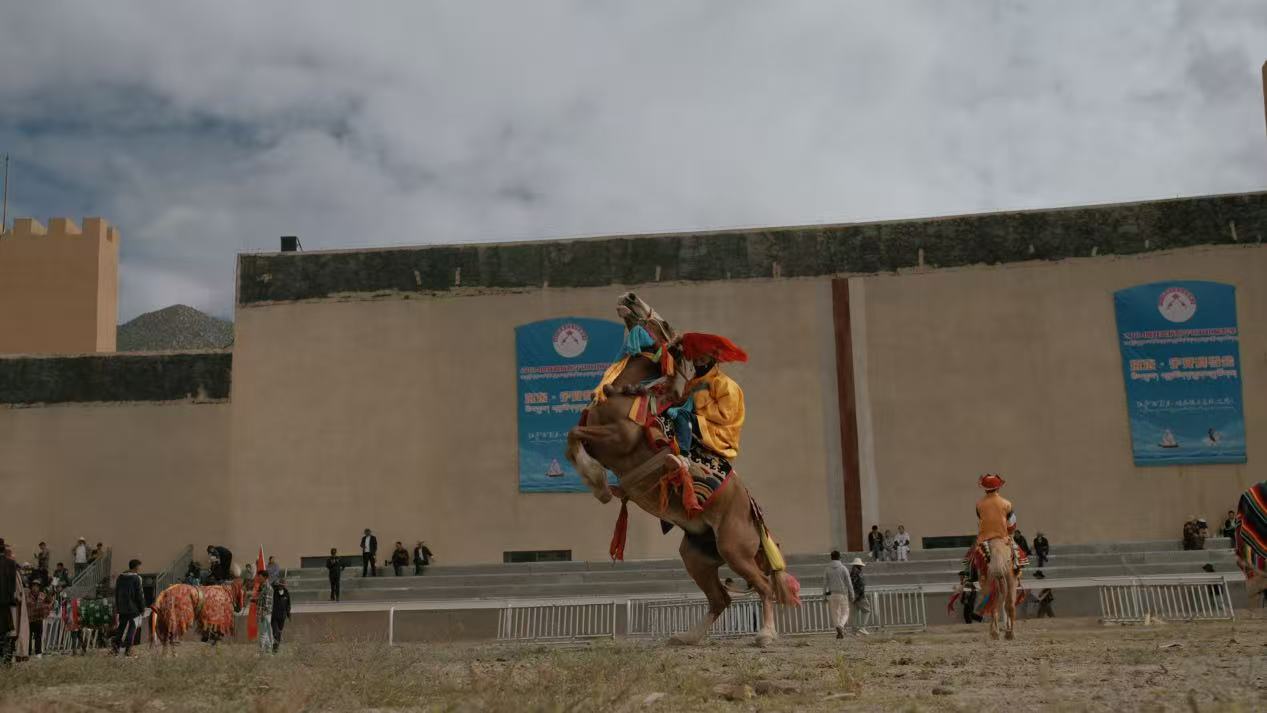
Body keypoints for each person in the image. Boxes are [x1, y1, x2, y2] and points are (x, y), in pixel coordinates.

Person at [111, 559, 145, 657]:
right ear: (136, 567)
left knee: (121, 627)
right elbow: (139, 595)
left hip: (122, 607)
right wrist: (142, 608)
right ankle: (128, 649)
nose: (140, 569)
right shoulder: (136, 578)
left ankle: (115, 648)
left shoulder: (120, 577)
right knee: (132, 628)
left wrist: (117, 607)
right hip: (133, 608)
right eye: (139, 566)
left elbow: (116, 593)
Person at [823, 550, 855, 639]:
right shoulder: (843, 568)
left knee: (834, 613)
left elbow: (825, 583)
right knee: (845, 611)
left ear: (831, 557)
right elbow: (849, 583)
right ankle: (841, 625)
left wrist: (824, 595)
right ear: (840, 557)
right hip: (842, 594)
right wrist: (852, 594)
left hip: (832, 594)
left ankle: (837, 627)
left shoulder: (827, 569)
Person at [1, 542, 20, 664]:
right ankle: (7, 658)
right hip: (6, 603)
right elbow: (12, 586)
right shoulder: (11, 563)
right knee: (6, 632)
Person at [25, 581, 51, 658]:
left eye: (37, 586)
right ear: (31, 587)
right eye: (34, 586)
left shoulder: (42, 595)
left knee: (38, 636)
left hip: (39, 619)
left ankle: (38, 653)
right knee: (28, 636)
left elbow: (49, 602)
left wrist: (49, 593)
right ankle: (28, 652)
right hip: (29, 619)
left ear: (39, 587)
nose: (35, 587)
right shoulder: (27, 595)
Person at [848, 557, 871, 635]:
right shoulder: (859, 574)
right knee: (867, 610)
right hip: (860, 596)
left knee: (855, 613)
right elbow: (860, 586)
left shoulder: (851, 574)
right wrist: (859, 596)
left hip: (852, 596)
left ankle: (854, 630)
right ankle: (862, 627)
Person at [254, 572, 274, 654]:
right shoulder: (262, 587)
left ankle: (261, 651)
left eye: (260, 577)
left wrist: (263, 615)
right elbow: (261, 601)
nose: (258, 578)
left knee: (263, 633)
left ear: (265, 577)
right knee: (264, 633)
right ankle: (268, 651)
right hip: (262, 613)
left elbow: (267, 605)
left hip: (265, 614)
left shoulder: (268, 588)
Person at [271, 578, 291, 654]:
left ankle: (276, 647)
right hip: (274, 616)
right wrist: (274, 583)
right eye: (280, 585)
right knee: (275, 631)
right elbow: (271, 585)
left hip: (282, 617)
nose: (281, 586)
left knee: (279, 632)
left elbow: (288, 605)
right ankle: (274, 644)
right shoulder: (274, 592)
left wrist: (288, 614)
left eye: (282, 585)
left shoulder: (286, 593)